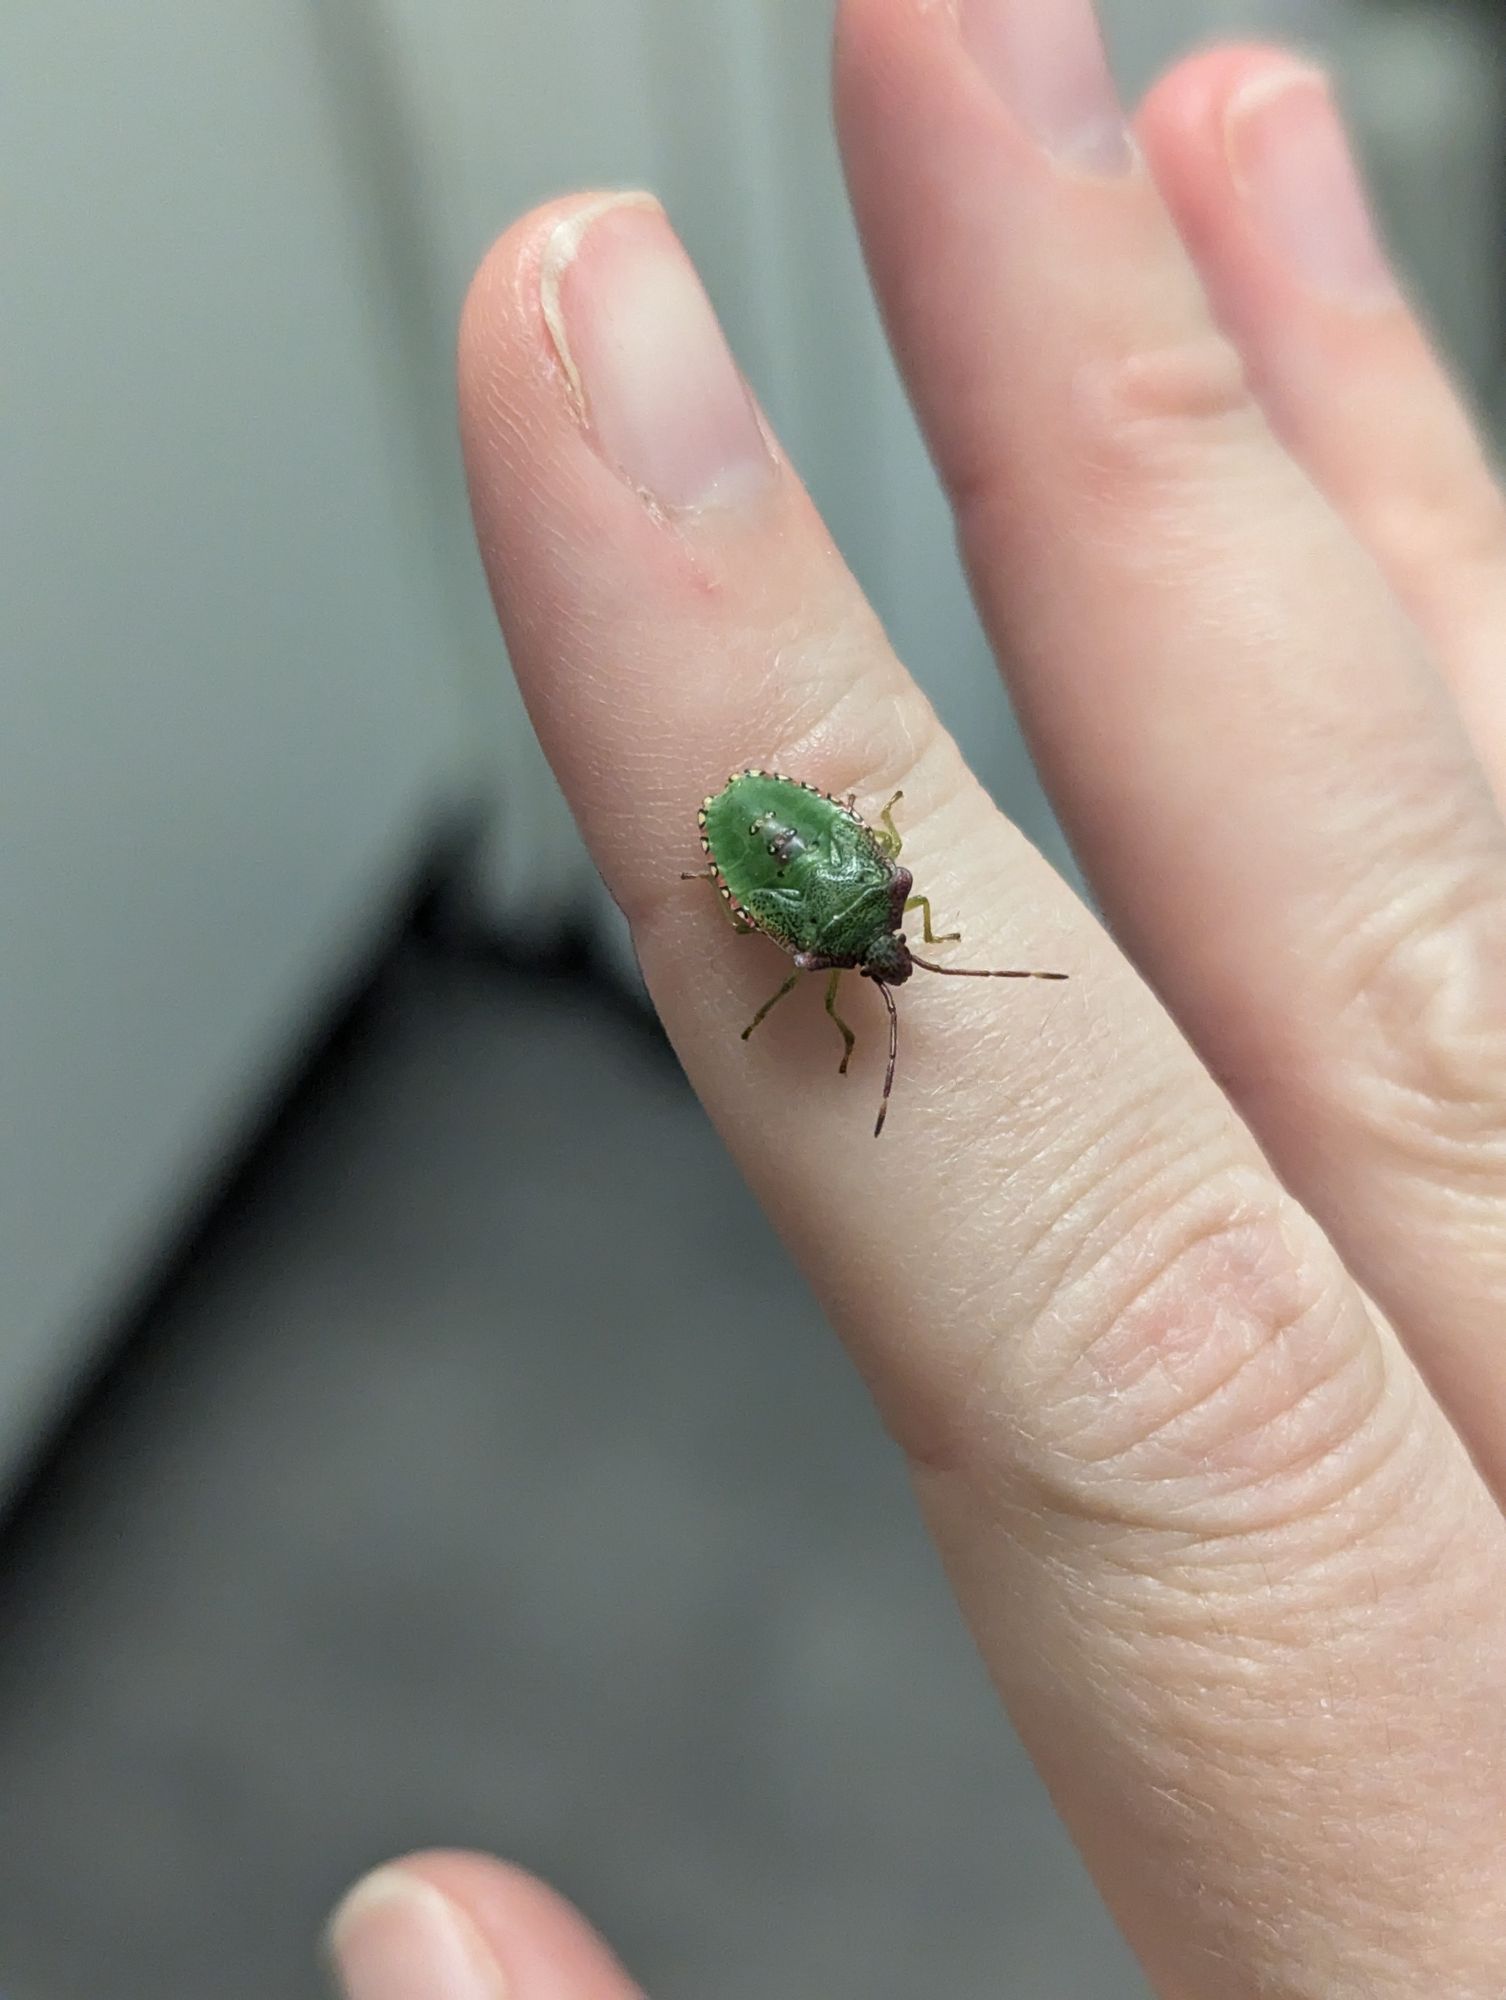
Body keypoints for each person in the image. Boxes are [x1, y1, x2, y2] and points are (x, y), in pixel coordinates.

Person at [327, 1, 1506, 1993]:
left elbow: (797, 926)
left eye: (886, 951)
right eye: (889, 946)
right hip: (762, 838)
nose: (895, 957)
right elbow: (769, 890)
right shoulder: (844, 911)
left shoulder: (858, 926)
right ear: (880, 919)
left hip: (768, 851)